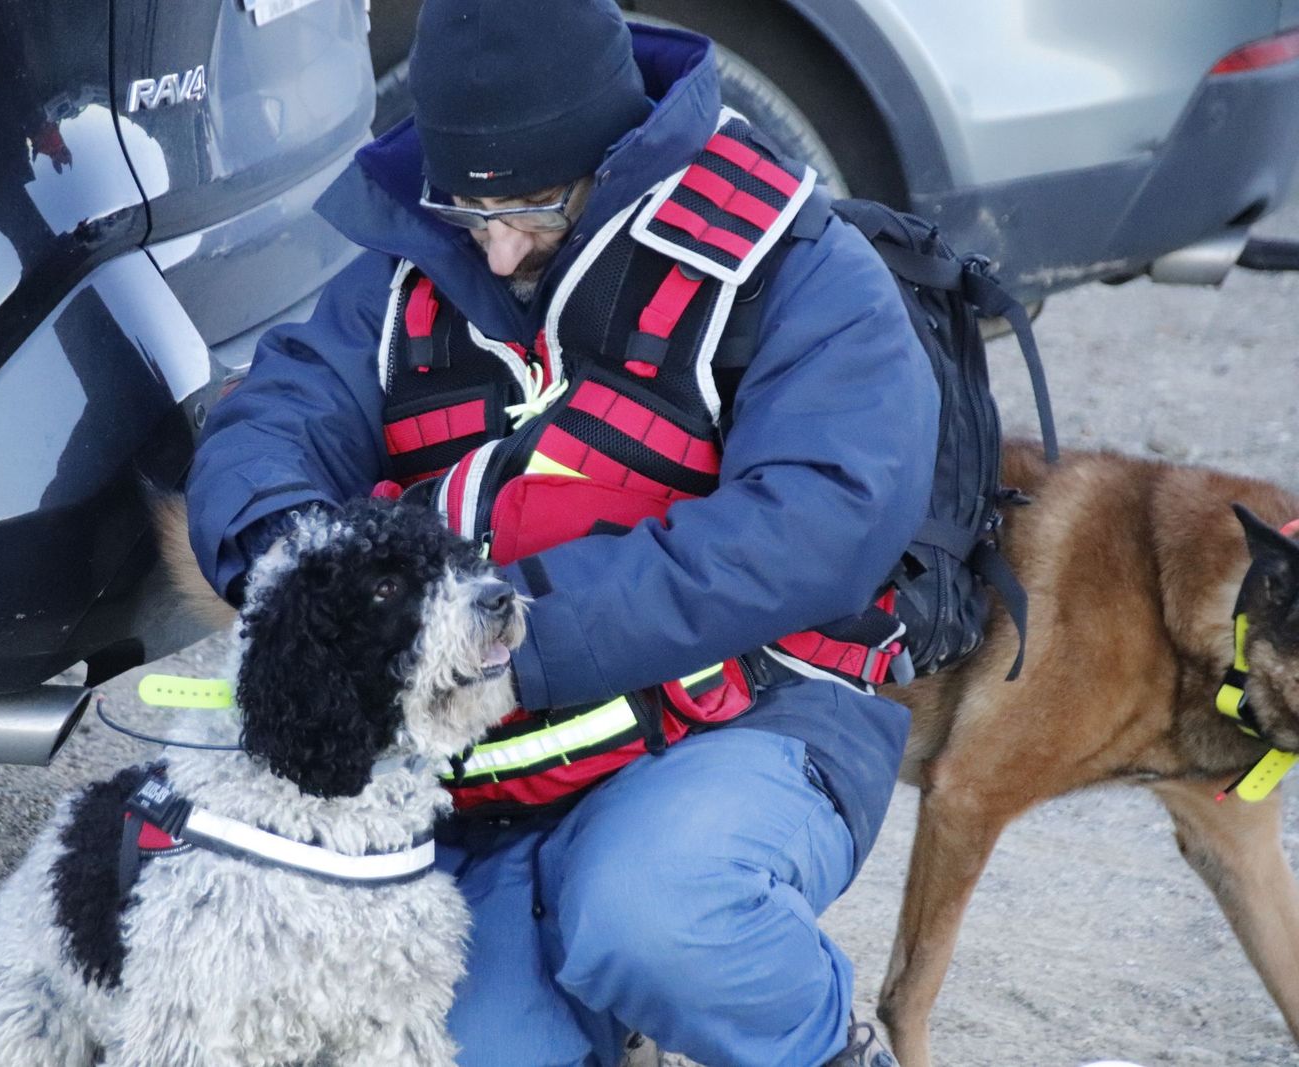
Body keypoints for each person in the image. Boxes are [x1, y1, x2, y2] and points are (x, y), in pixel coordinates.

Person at [185, 1, 937, 1064]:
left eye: (531, 207)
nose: (494, 252)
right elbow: (276, 420)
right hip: (491, 771)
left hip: (743, 721)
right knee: (447, 1044)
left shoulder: (798, 264)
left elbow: (818, 524)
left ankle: (819, 1048)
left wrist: (504, 633)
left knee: (652, 916)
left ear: (614, 158)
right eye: (465, 208)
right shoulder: (415, 262)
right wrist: (306, 574)